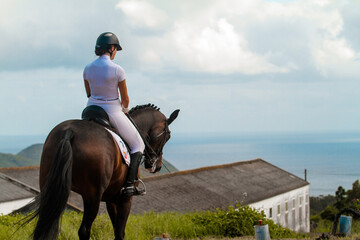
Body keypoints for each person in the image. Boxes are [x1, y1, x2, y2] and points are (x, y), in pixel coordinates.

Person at [83, 32, 145, 197]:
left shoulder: (87, 68)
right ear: (111, 49)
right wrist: (125, 109)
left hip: (90, 110)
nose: (116, 51)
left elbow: (89, 93)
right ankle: (129, 185)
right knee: (138, 144)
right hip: (111, 111)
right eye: (116, 48)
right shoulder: (118, 70)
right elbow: (125, 99)